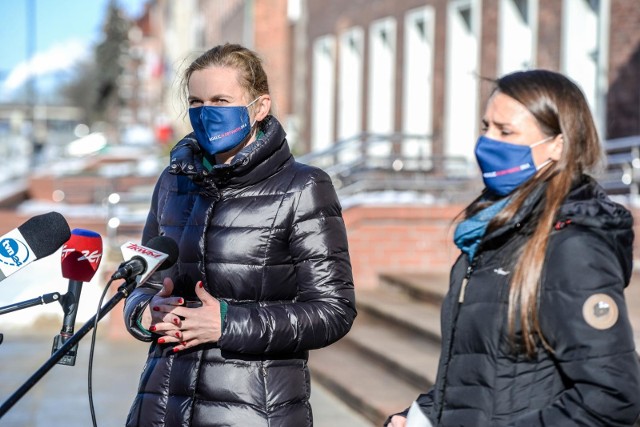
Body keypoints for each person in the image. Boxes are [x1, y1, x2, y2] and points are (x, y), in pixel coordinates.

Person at [387, 69, 640, 426]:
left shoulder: (572, 248)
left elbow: (612, 397)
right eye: (486, 126)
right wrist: (421, 416)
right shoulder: (493, 231)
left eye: (506, 132)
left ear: (558, 145)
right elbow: (482, 374)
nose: (488, 142)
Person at [122, 43, 356, 427]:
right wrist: (146, 311)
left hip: (253, 410)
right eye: (195, 102)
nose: (206, 112)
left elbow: (333, 311)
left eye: (221, 99)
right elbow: (141, 282)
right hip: (161, 406)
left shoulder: (303, 187)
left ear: (259, 107)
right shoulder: (172, 183)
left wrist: (228, 323)